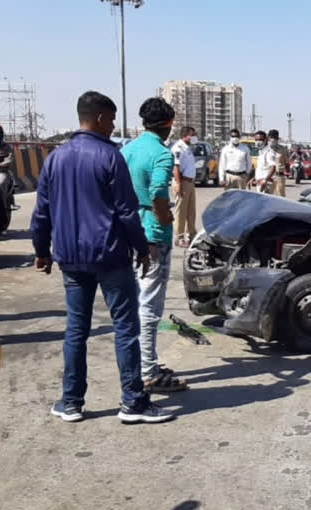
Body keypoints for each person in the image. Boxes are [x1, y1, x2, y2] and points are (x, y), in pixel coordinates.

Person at [30, 91, 174, 424]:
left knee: (76, 330)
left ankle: (71, 402)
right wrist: (141, 248)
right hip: (110, 256)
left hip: (71, 258)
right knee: (126, 328)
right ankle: (133, 403)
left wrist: (42, 253)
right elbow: (126, 212)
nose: (112, 127)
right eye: (110, 120)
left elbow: (41, 214)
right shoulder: (110, 157)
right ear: (97, 118)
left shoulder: (55, 159)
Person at [121, 97, 188, 393]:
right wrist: (165, 217)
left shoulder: (127, 150)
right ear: (168, 124)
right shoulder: (161, 154)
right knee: (150, 307)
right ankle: (148, 372)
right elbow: (159, 190)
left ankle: (144, 362)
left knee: (136, 301)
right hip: (153, 235)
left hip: (129, 231)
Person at [171, 126, 198, 247]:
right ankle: (179, 237)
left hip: (190, 183)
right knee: (181, 211)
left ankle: (191, 234)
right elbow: (176, 167)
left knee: (191, 210)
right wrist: (179, 184)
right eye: (192, 135)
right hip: (183, 182)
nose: (194, 137)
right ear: (186, 135)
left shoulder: (188, 148)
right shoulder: (178, 148)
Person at [0, 123, 15, 208]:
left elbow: (9, 158)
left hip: (2, 171)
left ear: (0, 135)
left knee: (1, 183)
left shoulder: (6, 146)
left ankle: (3, 206)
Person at [268, 129, 290, 197]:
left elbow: (287, 163)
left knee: (281, 196)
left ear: (277, 138)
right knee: (268, 196)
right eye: (271, 137)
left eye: (275, 137)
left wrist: (287, 171)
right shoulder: (265, 149)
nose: (273, 139)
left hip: (279, 176)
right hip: (268, 176)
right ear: (268, 138)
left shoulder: (283, 149)